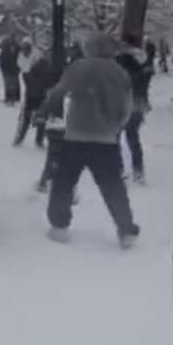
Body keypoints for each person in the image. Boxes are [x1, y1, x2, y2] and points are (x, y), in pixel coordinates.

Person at [38, 33, 140, 249]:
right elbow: (127, 107)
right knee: (113, 186)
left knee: (64, 182)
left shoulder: (78, 68)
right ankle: (126, 229)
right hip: (106, 139)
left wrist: (43, 111)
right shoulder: (120, 73)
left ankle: (59, 226)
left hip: (76, 135)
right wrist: (116, 127)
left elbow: (58, 92)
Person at [116, 35, 152, 184]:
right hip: (138, 102)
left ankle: (118, 168)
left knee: (115, 136)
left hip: (121, 102)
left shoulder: (121, 59)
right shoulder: (145, 59)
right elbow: (145, 80)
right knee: (133, 137)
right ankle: (138, 170)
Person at [15, 56, 53, 148]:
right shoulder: (47, 75)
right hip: (41, 99)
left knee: (25, 121)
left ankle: (19, 139)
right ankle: (39, 140)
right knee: (41, 120)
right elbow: (50, 85)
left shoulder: (31, 73)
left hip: (30, 99)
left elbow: (24, 76)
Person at [0, 36, 22, 106]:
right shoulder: (6, 49)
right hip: (8, 69)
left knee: (12, 84)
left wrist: (18, 68)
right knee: (9, 84)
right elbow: (2, 60)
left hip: (13, 70)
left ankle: (12, 98)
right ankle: (9, 97)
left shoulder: (18, 49)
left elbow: (21, 60)